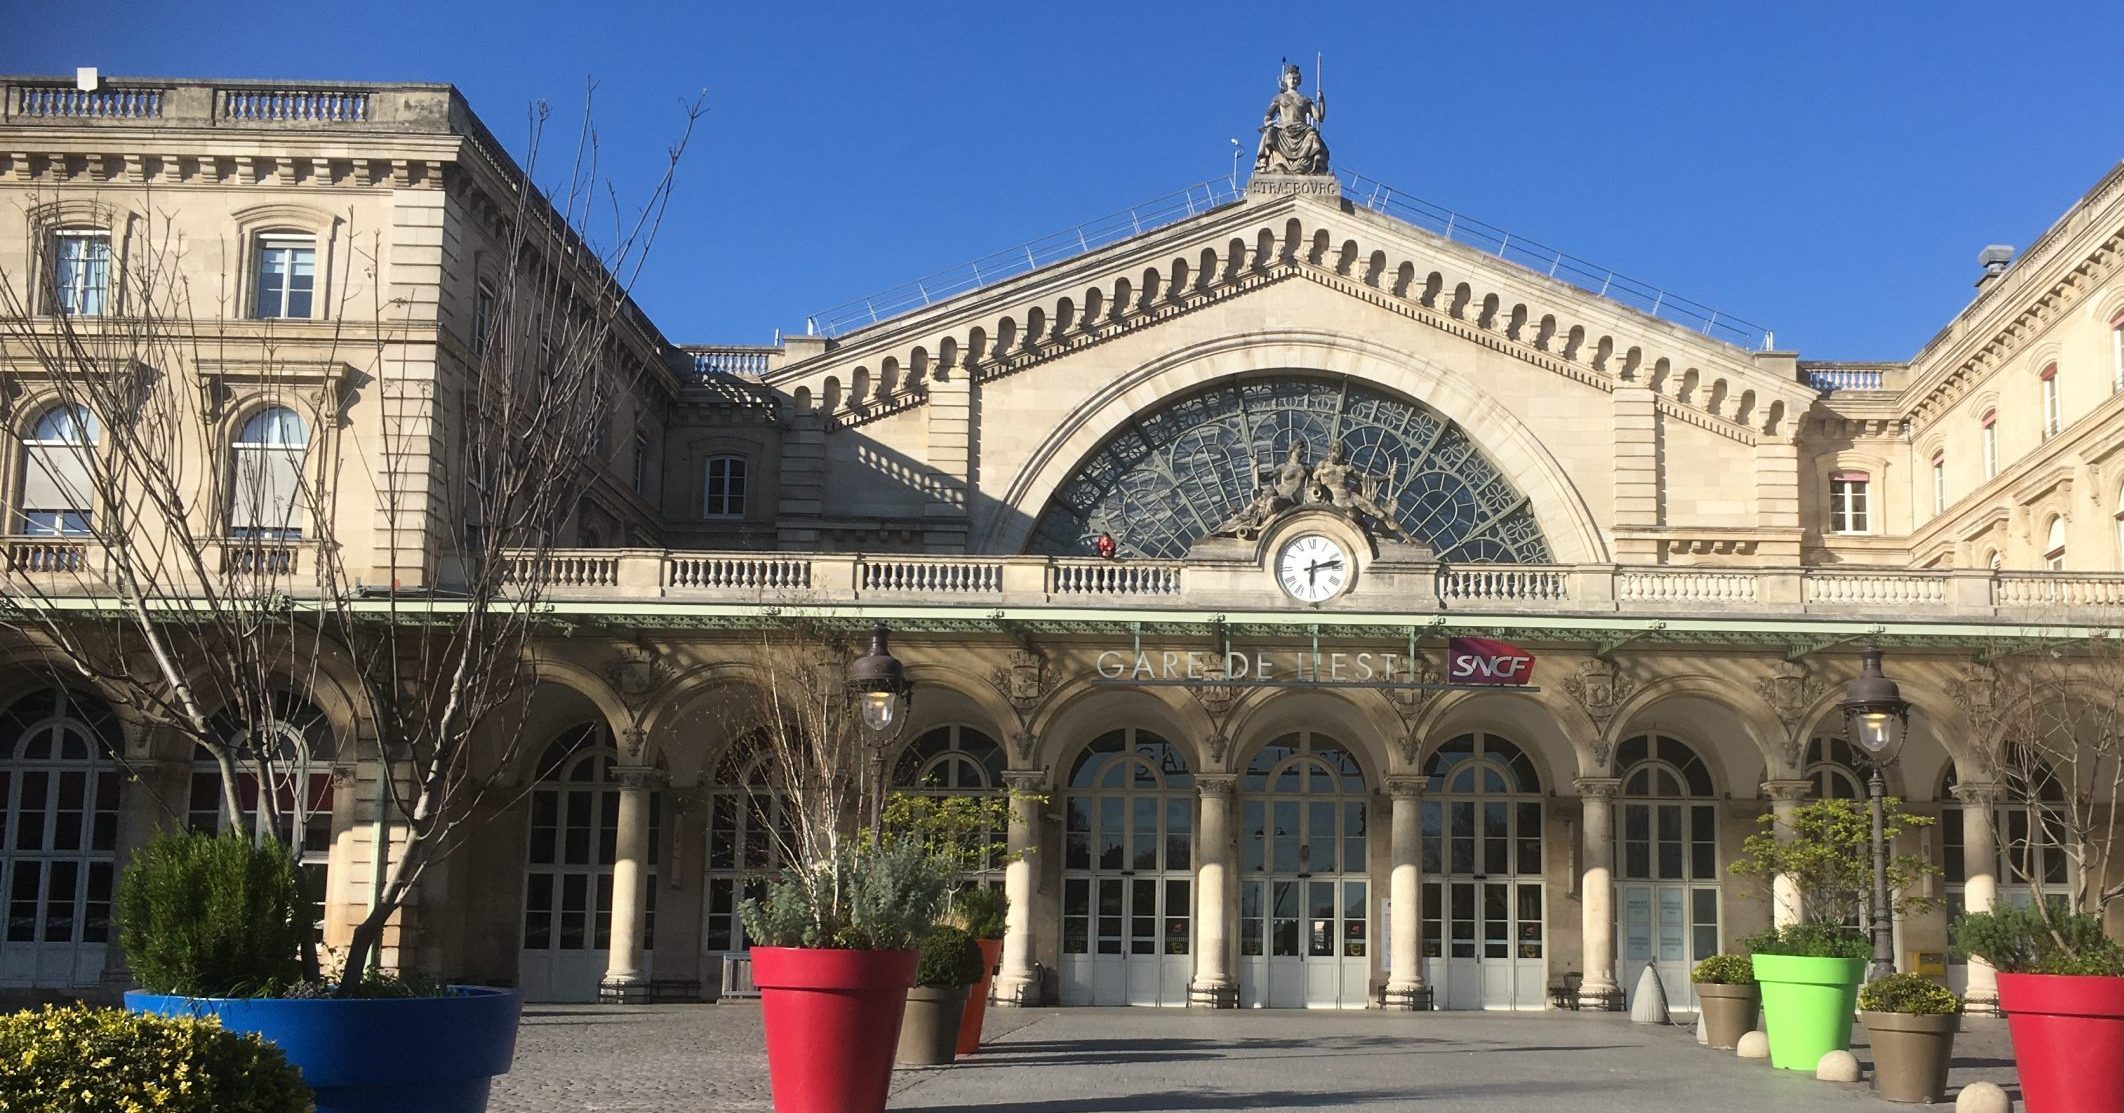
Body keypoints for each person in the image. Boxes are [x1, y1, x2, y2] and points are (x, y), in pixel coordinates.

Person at [1255, 64, 1329, 175]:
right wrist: (1268, 121)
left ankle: (1303, 166)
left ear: (1299, 81)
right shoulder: (1279, 98)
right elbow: (1268, 116)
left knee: (1313, 135)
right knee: (1270, 132)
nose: (1292, 80)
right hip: (1284, 129)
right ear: (1286, 81)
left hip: (1303, 130)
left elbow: (1319, 118)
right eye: (1290, 78)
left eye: (1295, 78)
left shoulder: (1305, 99)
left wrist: (1321, 102)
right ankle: (1272, 165)